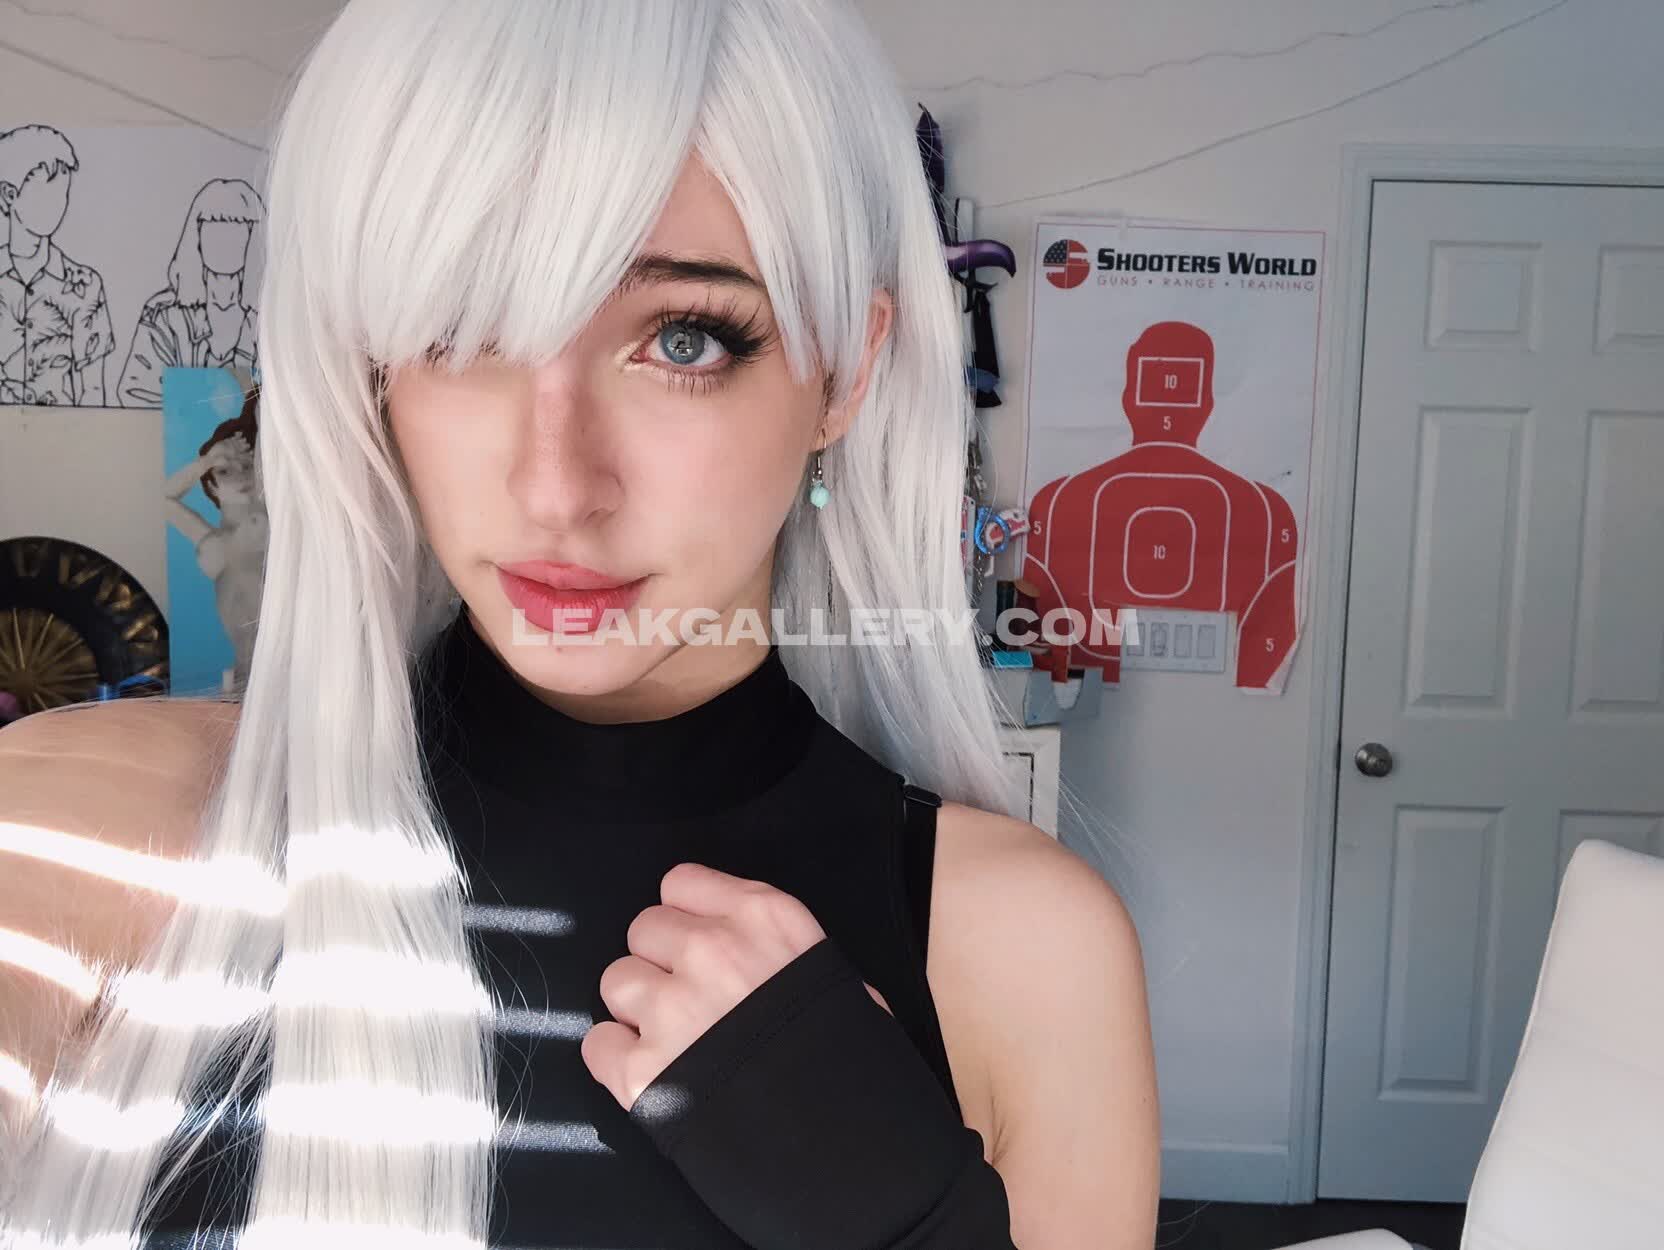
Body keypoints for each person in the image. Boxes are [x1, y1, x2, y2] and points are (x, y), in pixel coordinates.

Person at [0, 2, 1160, 1247]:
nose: (556, 485)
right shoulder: (84, 830)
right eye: (461, 330)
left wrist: (909, 1218)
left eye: (682, 339)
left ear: (844, 372)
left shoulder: (1021, 951)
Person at [116, 178, 264, 407]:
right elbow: (136, 395)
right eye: (213, 228)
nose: (224, 242)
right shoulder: (163, 315)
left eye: (236, 229)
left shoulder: (270, 318)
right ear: (197, 236)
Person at [0, 123, 117, 406]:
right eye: (43, 195)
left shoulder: (85, 285)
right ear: (9, 195)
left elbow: (92, 392)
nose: (56, 206)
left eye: (62, 195)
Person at [161, 392, 269, 693]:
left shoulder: (274, 520)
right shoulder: (217, 546)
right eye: (224, 471)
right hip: (251, 677)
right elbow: (165, 500)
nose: (240, 476)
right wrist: (207, 460)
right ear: (211, 485)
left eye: (247, 465)